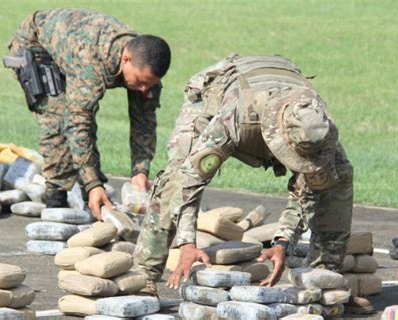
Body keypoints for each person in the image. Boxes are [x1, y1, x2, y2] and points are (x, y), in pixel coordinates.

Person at [133, 54, 373, 313]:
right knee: (175, 180)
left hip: (278, 94)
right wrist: (187, 243)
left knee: (336, 180)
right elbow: (191, 181)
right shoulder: (235, 121)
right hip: (215, 98)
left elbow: (308, 187)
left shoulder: (317, 127)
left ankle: (324, 285)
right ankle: (145, 275)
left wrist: (282, 242)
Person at [6, 9, 171, 217]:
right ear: (126, 59)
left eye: (150, 84)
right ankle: (56, 198)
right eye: (140, 82)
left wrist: (140, 170)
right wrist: (93, 182)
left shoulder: (144, 68)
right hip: (36, 47)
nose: (144, 89)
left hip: (72, 50)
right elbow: (77, 122)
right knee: (58, 122)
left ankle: (90, 189)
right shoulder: (93, 60)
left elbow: (144, 123)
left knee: (82, 116)